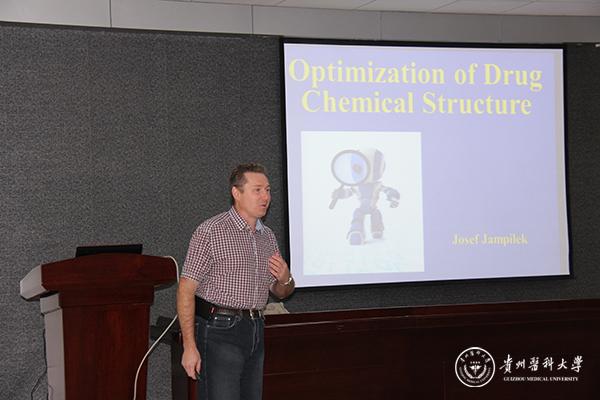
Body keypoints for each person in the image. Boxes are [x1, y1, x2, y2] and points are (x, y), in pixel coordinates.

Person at [177, 163, 295, 400]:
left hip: (256, 329)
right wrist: (189, 346)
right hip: (220, 330)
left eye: (268, 190)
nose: (265, 197)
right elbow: (185, 290)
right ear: (236, 193)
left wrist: (286, 279)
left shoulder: (267, 236)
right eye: (257, 190)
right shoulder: (211, 231)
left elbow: (281, 291)